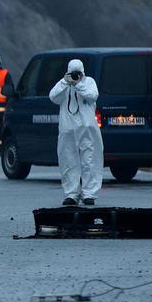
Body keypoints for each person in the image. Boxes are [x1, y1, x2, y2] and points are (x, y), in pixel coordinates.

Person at [49, 58, 103, 206]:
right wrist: (65, 82)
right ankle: (71, 194)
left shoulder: (89, 82)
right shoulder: (64, 85)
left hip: (87, 129)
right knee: (68, 160)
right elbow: (53, 96)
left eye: (77, 73)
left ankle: (89, 193)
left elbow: (93, 96)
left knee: (90, 160)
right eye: (72, 73)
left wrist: (78, 85)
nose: (75, 76)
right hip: (68, 130)